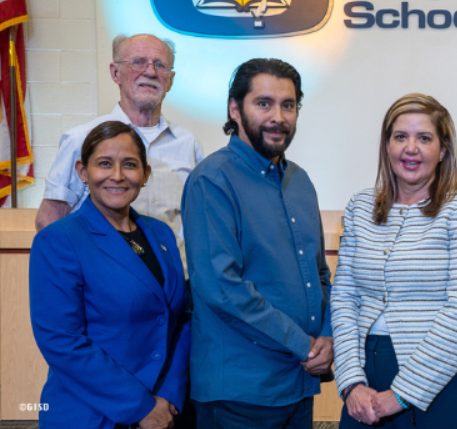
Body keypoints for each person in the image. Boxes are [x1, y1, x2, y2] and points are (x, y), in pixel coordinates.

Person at [181, 59, 332, 428]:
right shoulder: (211, 180)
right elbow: (220, 285)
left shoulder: (299, 180)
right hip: (239, 391)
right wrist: (305, 345)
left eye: (288, 105)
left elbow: (319, 273)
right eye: (263, 103)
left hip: (298, 382)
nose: (278, 116)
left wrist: (328, 336)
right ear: (235, 108)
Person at [332, 93, 457, 429]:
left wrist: (402, 393)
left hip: (445, 376)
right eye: (400, 136)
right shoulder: (360, 207)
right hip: (367, 374)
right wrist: (350, 382)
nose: (411, 148)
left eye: (424, 138)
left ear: (443, 149)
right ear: (386, 145)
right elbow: (344, 297)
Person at [30, 121, 190, 429]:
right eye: (104, 164)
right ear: (82, 172)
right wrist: (141, 407)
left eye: (129, 165)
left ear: (145, 174)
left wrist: (169, 395)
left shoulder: (161, 233)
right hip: (92, 415)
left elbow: (181, 318)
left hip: (163, 411)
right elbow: (62, 341)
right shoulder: (59, 240)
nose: (117, 175)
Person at [36, 34, 204, 273]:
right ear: (115, 73)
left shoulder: (188, 144)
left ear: (170, 80)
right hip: (104, 288)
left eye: (160, 64)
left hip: (176, 288)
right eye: (138, 62)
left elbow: (197, 224)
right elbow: (49, 221)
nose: (150, 72)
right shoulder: (80, 139)